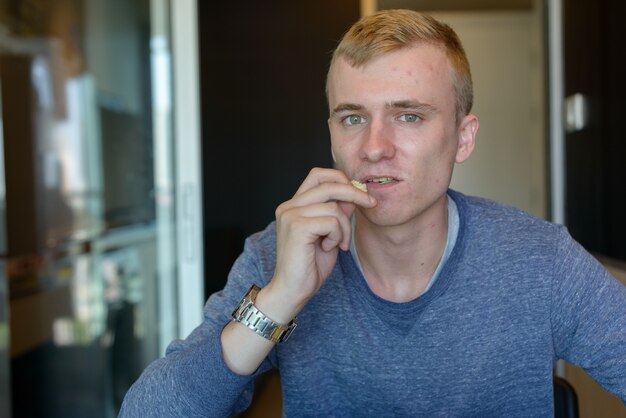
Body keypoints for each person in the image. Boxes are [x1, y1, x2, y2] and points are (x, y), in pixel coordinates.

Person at [120, 9, 626, 417]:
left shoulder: (540, 260)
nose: (374, 147)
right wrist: (279, 300)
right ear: (333, 135)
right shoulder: (277, 254)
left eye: (408, 116)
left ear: (463, 137)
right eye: (353, 118)